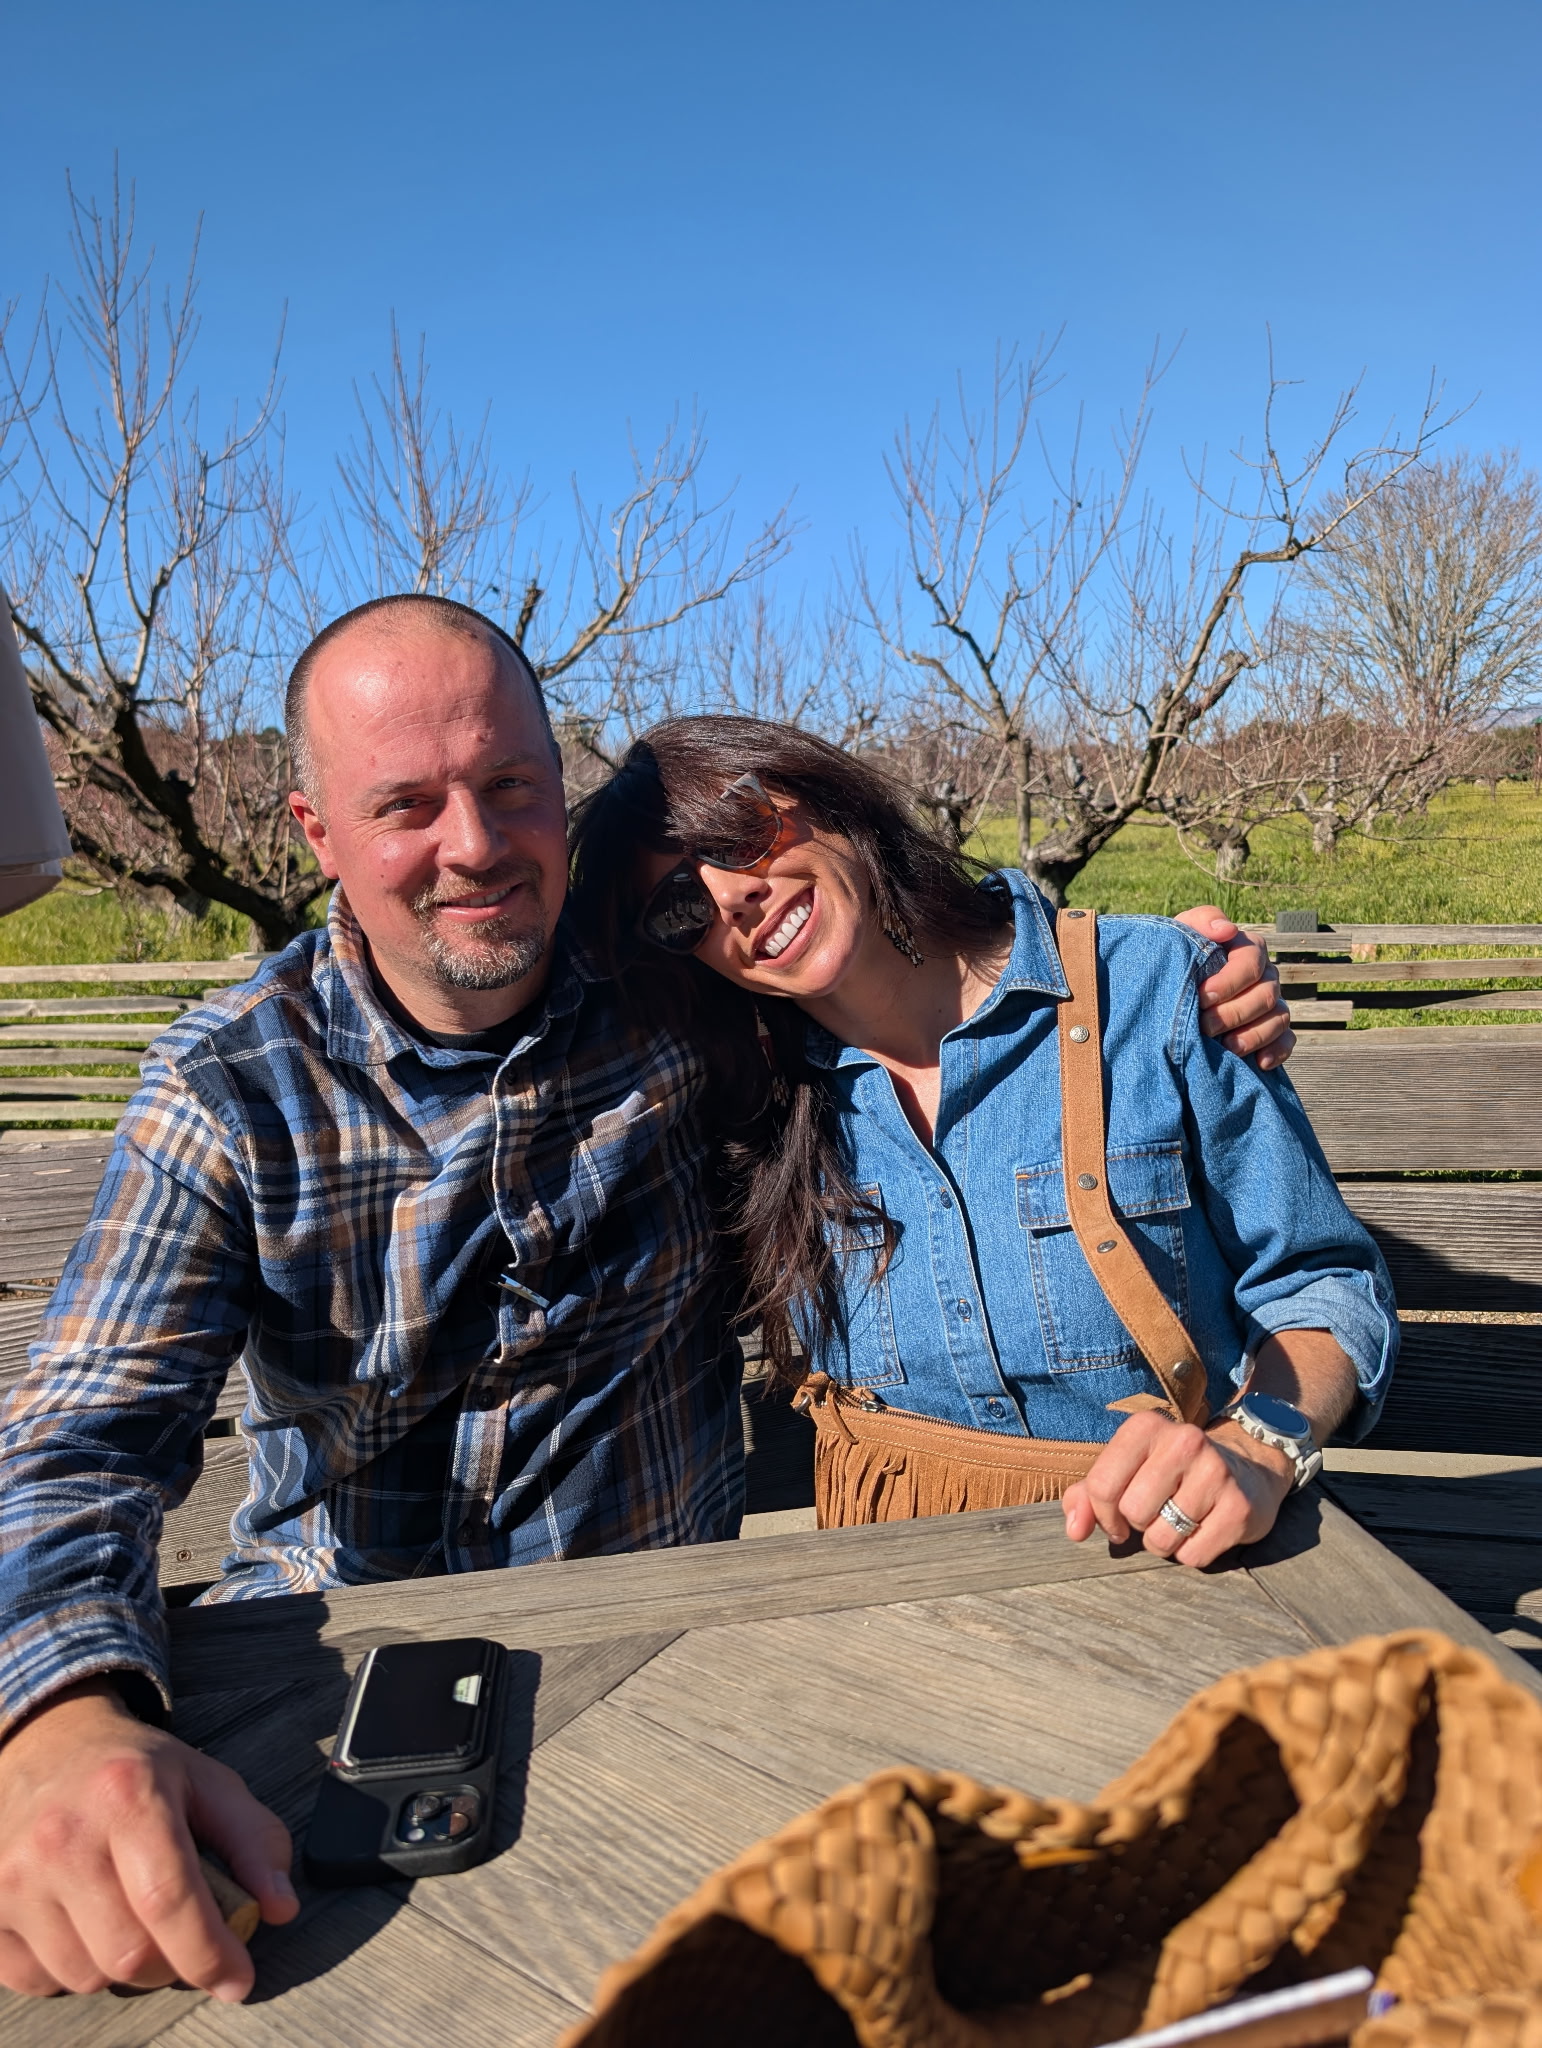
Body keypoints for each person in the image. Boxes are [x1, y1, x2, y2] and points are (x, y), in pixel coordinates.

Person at [0, 597, 1289, 2006]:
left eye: (507, 788)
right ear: (315, 836)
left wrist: (1166, 981)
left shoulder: (687, 994)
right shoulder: (232, 1093)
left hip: (678, 1651)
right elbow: (80, 1440)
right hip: (347, 1680)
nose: (475, 845)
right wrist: (63, 1718)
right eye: (406, 805)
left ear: (559, 786)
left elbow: (904, 938)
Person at [568, 716, 1395, 1563]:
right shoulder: (746, 1112)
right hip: (903, 1583)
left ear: (821, 794)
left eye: (741, 833)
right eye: (679, 906)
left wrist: (1257, 1445)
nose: (731, 896)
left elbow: (1321, 1283)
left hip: (1167, 1554)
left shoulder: (1149, 993)